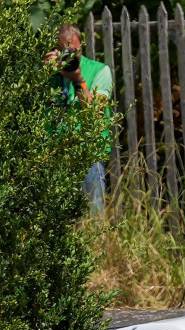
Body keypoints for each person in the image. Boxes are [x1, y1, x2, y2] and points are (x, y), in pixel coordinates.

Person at [46, 25, 113, 213]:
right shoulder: (48, 73)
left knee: (93, 218)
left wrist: (78, 80)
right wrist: (43, 73)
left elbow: (94, 114)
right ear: (55, 51)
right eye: (66, 52)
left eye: (75, 51)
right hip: (52, 155)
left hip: (88, 156)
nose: (71, 57)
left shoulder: (100, 71)